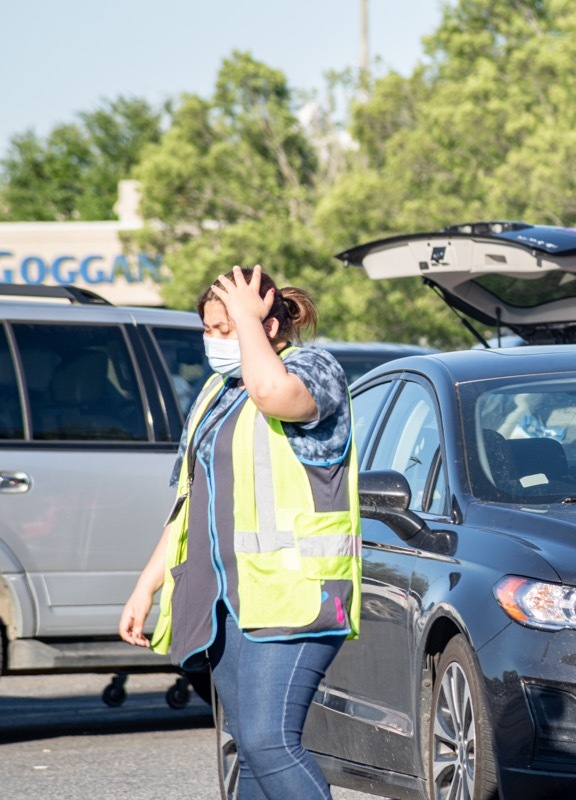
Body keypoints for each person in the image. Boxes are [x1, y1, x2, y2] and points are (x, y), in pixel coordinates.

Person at [119, 264, 361, 800]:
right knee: (248, 748)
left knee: (269, 741)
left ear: (269, 326)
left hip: (297, 595)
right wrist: (146, 586)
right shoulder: (216, 392)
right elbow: (189, 502)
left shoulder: (313, 369)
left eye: (226, 329)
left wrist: (248, 323)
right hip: (226, 602)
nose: (214, 341)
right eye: (208, 329)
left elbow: (275, 394)